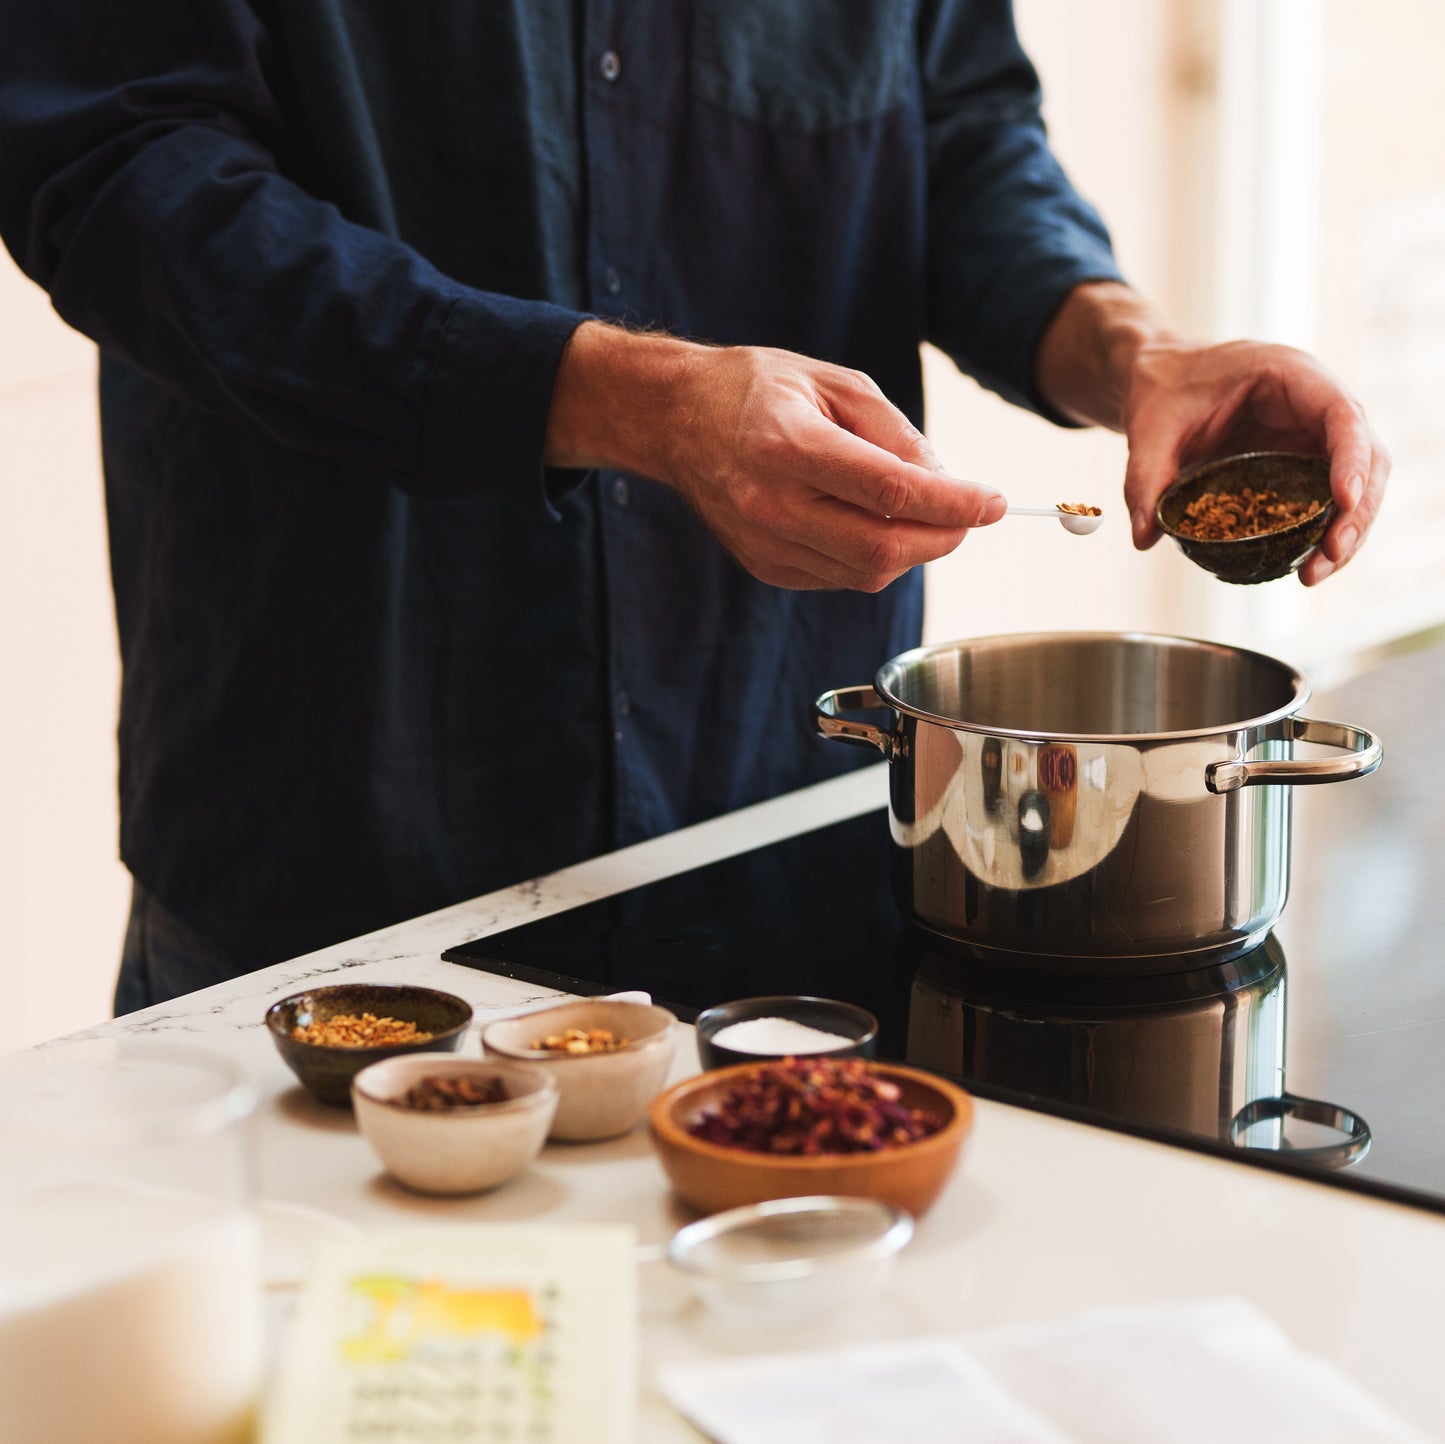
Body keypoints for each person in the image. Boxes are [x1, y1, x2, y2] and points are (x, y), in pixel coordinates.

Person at [0, 2, 1387, 1011]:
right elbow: (116, 172)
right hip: (346, 831)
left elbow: (961, 129)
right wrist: (610, 398)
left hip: (791, 830)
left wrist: (1128, 350)